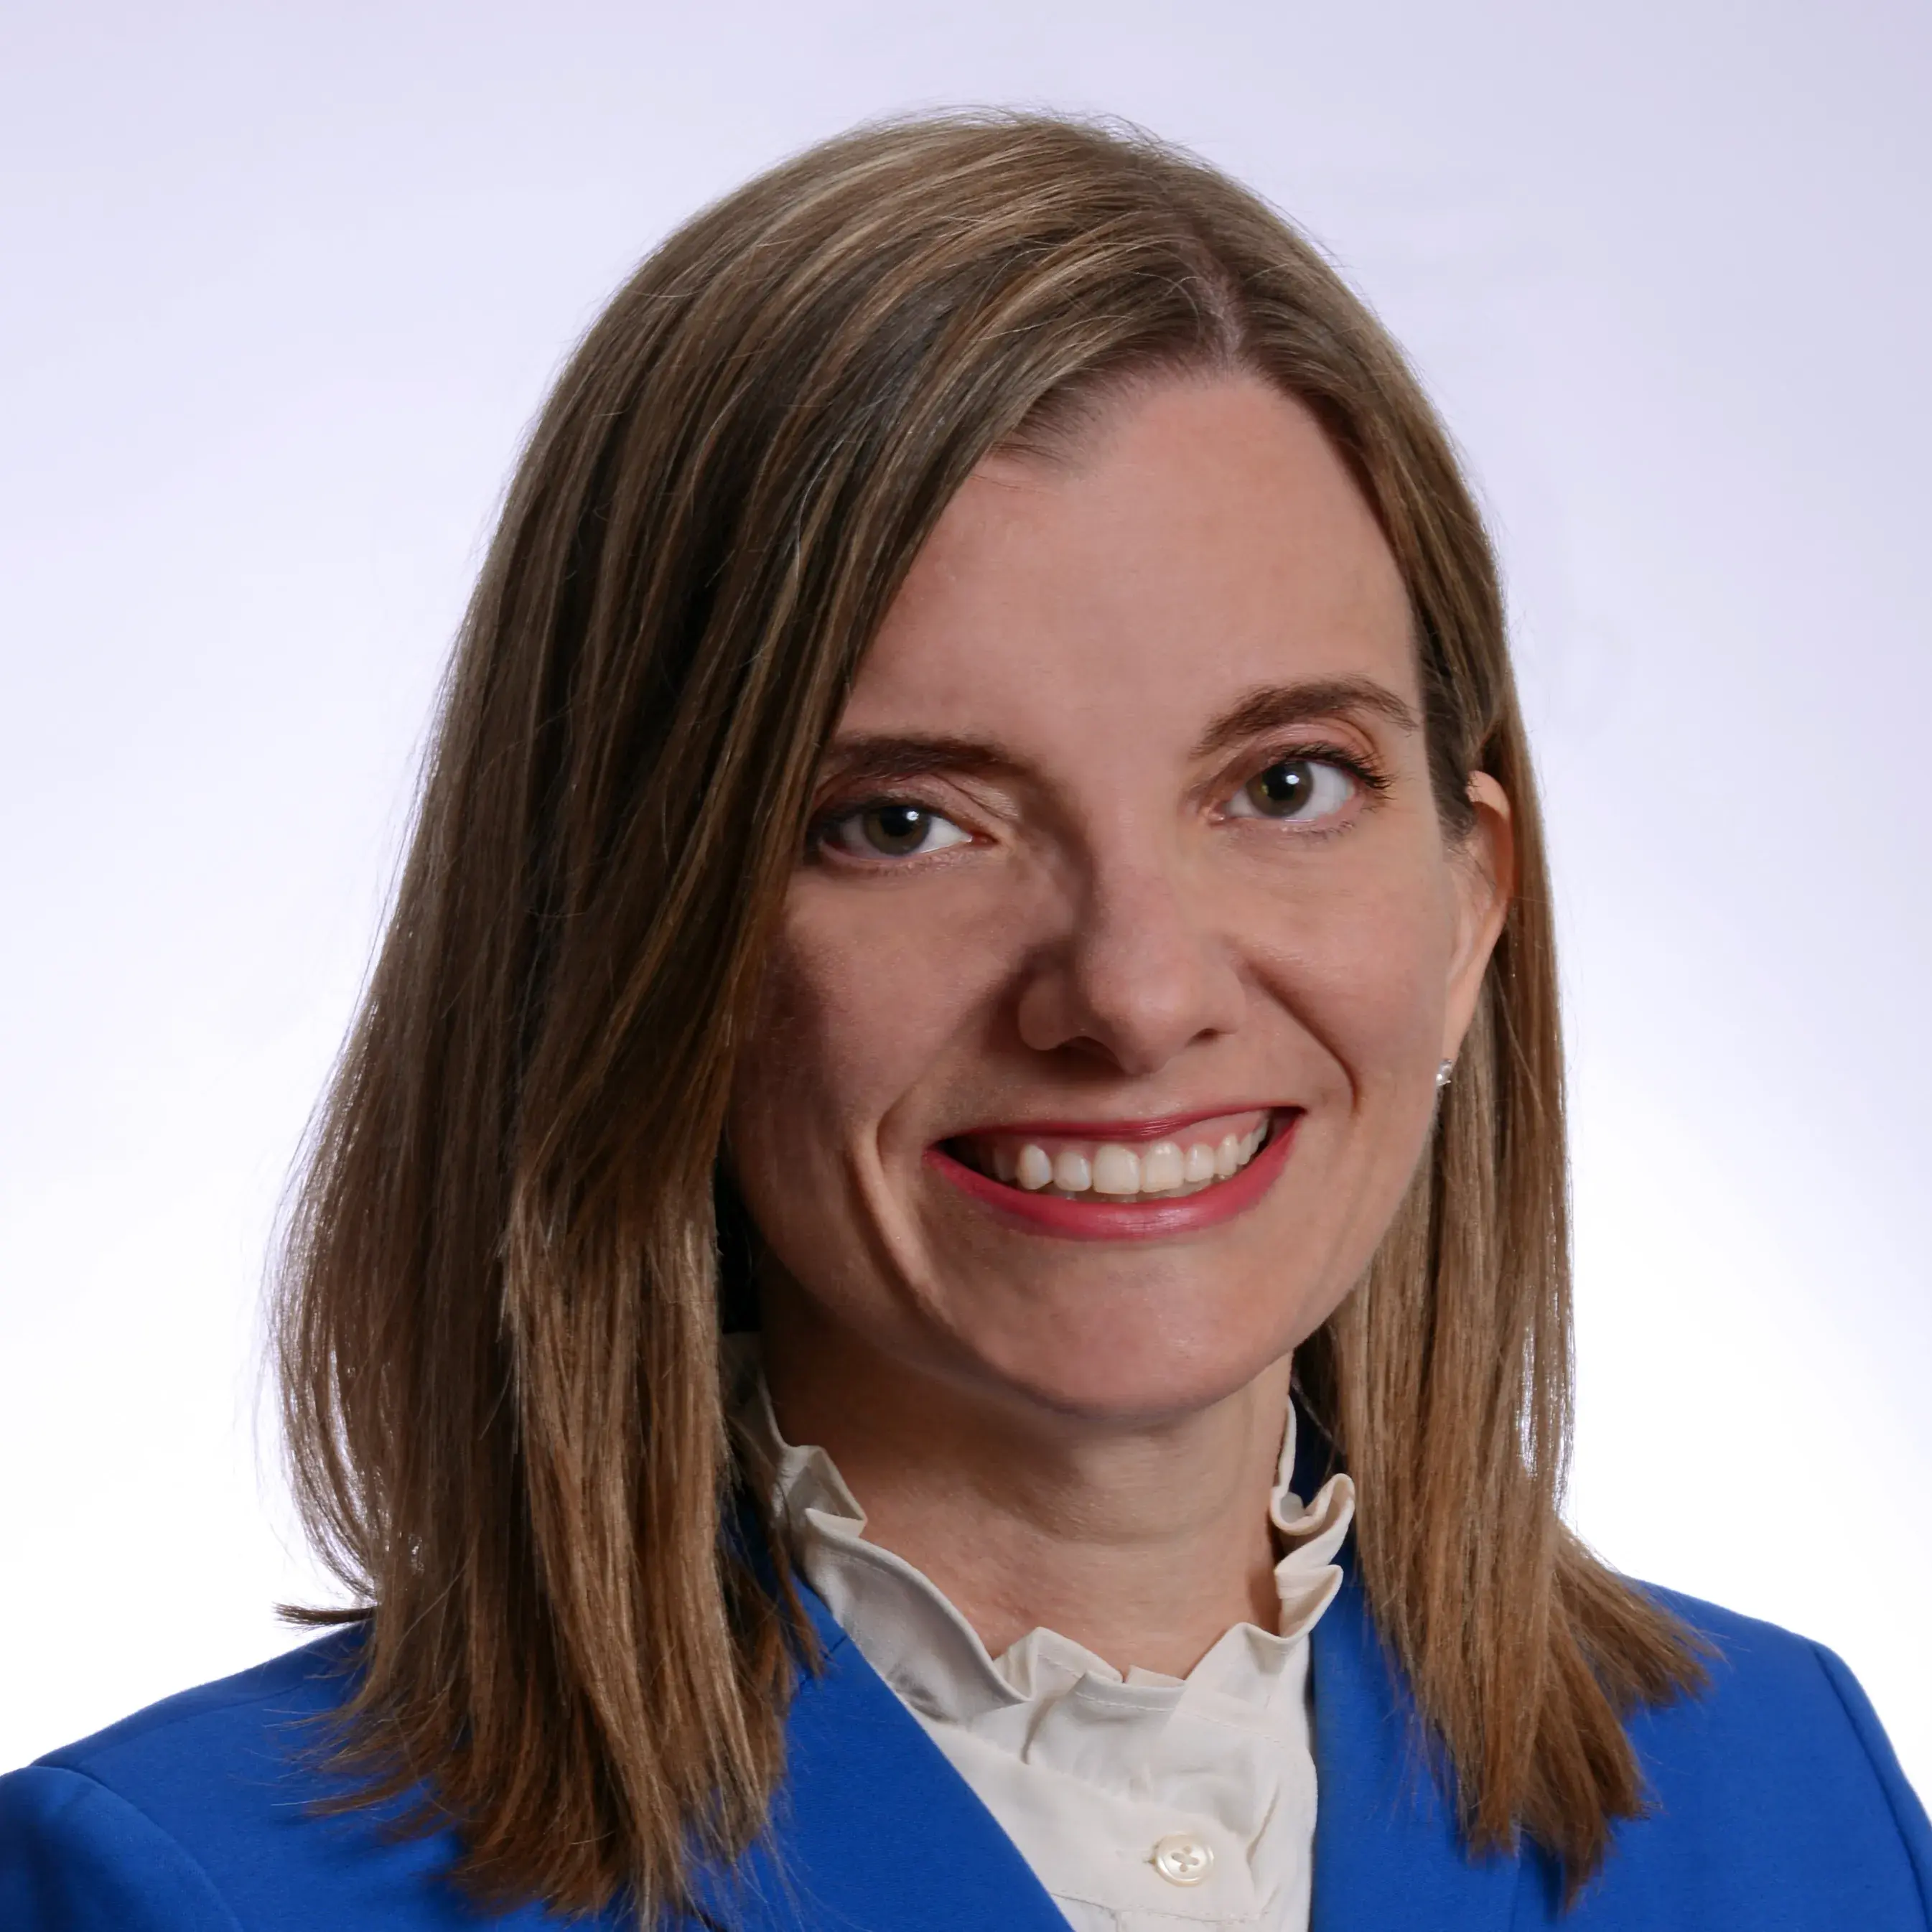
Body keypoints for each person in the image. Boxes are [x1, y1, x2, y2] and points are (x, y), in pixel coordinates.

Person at [1, 111, 1926, 1932]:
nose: (1137, 995)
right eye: (904, 821)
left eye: (1285, 785)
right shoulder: (187, 1891)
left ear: (1470, 902)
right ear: (631, 939)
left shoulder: (1792, 1800)